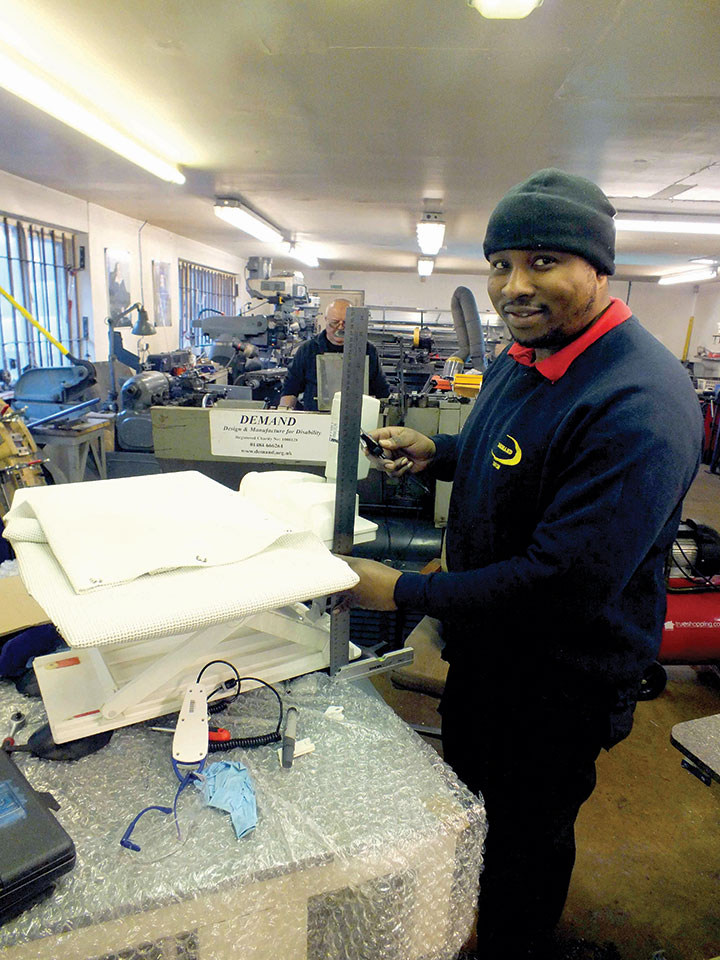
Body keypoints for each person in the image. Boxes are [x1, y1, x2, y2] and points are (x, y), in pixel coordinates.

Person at [340, 169, 703, 959]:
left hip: (557, 682)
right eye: (501, 263)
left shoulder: (637, 401)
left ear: (598, 269)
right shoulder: (526, 354)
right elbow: (518, 457)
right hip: (491, 657)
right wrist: (440, 452)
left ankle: (512, 946)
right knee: (481, 807)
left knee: (526, 838)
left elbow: (562, 584)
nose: (514, 286)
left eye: (543, 261)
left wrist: (402, 588)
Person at [278, 298, 390, 410]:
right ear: (326, 320)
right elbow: (290, 389)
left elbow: (382, 391)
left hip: (357, 419)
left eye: (346, 323)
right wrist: (284, 416)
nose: (340, 328)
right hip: (315, 420)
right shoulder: (308, 350)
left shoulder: (368, 350)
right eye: (335, 323)